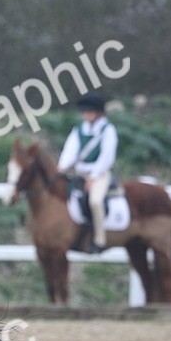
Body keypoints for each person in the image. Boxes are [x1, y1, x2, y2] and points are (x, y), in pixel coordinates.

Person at [58, 92, 118, 253]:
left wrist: (93, 177)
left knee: (95, 201)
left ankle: (99, 239)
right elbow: (70, 151)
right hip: (79, 173)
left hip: (99, 174)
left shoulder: (107, 130)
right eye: (84, 111)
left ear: (98, 112)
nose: (85, 114)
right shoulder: (78, 130)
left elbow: (107, 157)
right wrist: (61, 167)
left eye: (89, 111)